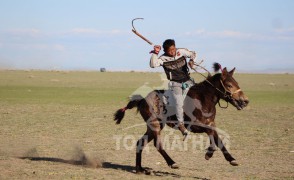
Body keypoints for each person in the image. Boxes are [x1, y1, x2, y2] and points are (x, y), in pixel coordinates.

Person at [149, 39, 197, 140]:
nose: (173, 52)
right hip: (175, 84)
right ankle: (181, 125)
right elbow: (153, 64)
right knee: (179, 103)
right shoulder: (163, 58)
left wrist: (192, 61)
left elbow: (193, 53)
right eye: (170, 50)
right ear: (166, 51)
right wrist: (155, 52)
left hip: (188, 81)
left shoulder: (181, 52)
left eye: (174, 49)